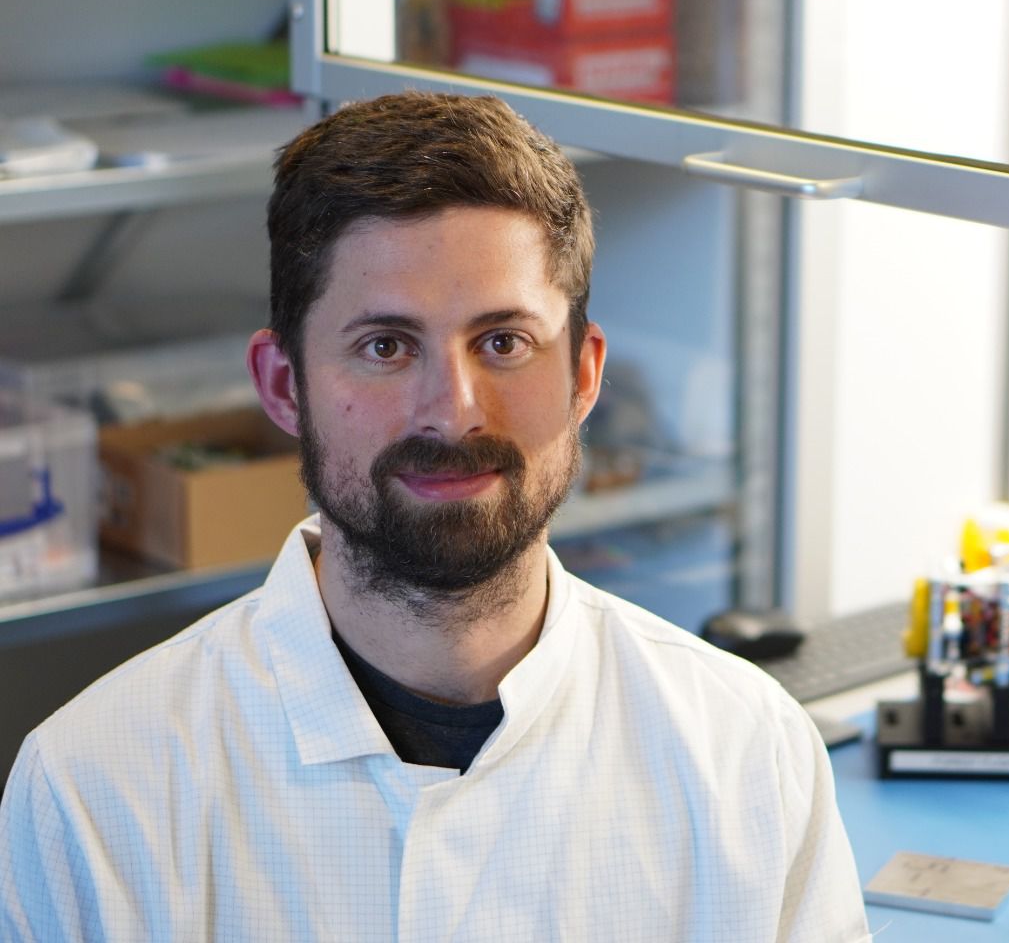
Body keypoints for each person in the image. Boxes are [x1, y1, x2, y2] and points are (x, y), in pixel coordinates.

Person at [0, 92, 870, 941]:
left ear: (582, 374)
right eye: (385, 346)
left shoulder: (750, 755)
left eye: (503, 343)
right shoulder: (93, 790)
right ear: (284, 386)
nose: (453, 413)